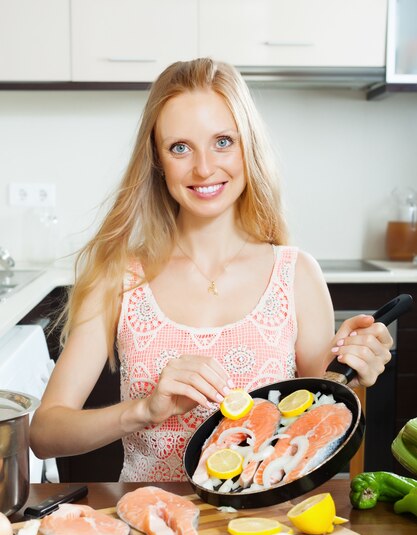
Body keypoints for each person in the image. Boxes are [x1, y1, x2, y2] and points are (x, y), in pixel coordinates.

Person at [30, 58, 393, 482]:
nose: (204, 168)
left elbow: (320, 422)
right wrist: (142, 410)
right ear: (157, 160)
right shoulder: (118, 277)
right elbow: (45, 432)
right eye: (180, 147)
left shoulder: (296, 275)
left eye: (223, 141)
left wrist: (356, 371)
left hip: (265, 525)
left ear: (248, 147)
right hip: (153, 529)